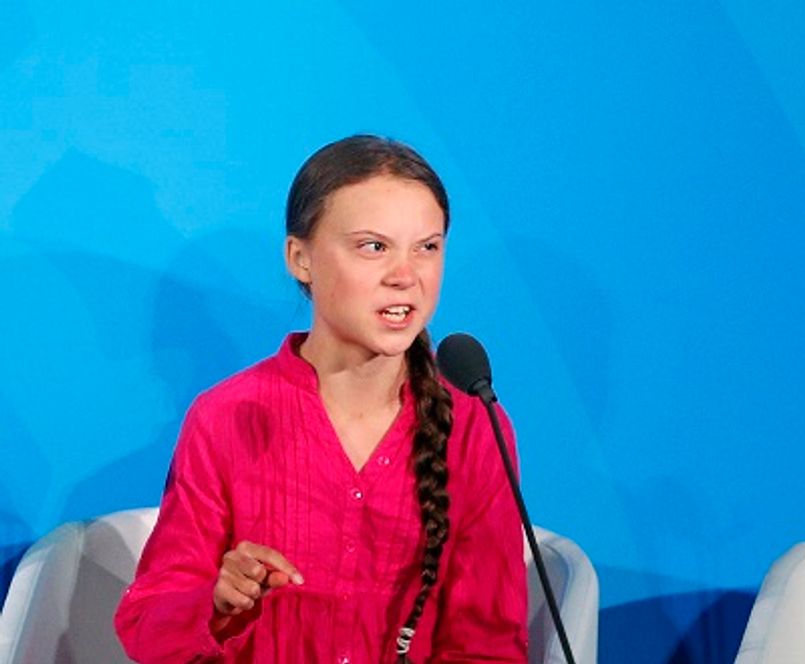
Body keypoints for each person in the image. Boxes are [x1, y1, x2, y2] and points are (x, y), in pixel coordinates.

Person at [114, 135, 529, 663]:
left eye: (427, 247)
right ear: (300, 258)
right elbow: (147, 626)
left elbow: (488, 645)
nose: (406, 276)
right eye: (373, 246)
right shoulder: (224, 417)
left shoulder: (473, 427)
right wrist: (216, 603)